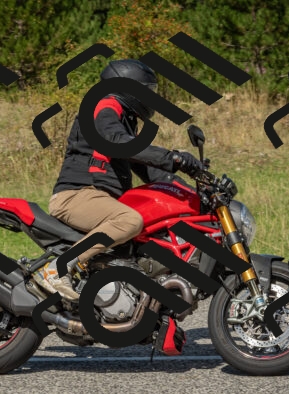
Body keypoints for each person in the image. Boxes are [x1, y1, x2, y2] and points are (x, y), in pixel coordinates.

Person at [32, 59, 204, 301]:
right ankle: (56, 270)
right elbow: (118, 141)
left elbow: (148, 168)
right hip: (77, 195)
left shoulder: (124, 120)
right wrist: (172, 157)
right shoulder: (103, 106)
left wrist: (192, 190)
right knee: (129, 220)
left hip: (99, 199)